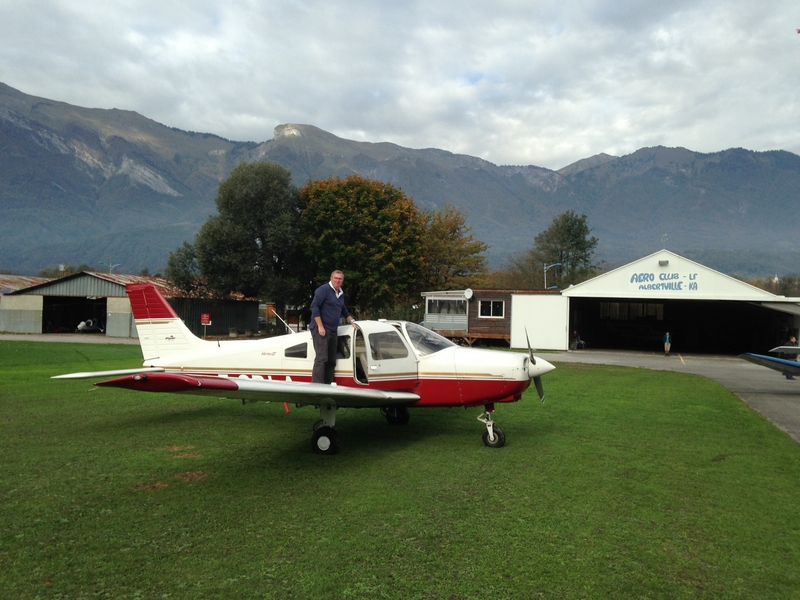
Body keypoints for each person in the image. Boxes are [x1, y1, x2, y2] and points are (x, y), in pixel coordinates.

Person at [310, 270, 358, 384]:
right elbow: (314, 307)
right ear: (331, 278)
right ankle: (317, 387)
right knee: (321, 359)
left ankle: (328, 385)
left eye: (340, 279)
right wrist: (320, 326)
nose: (338, 280)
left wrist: (352, 321)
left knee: (331, 360)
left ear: (343, 280)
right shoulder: (323, 290)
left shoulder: (340, 293)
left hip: (333, 329)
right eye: (336, 278)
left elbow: (343, 309)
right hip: (321, 328)